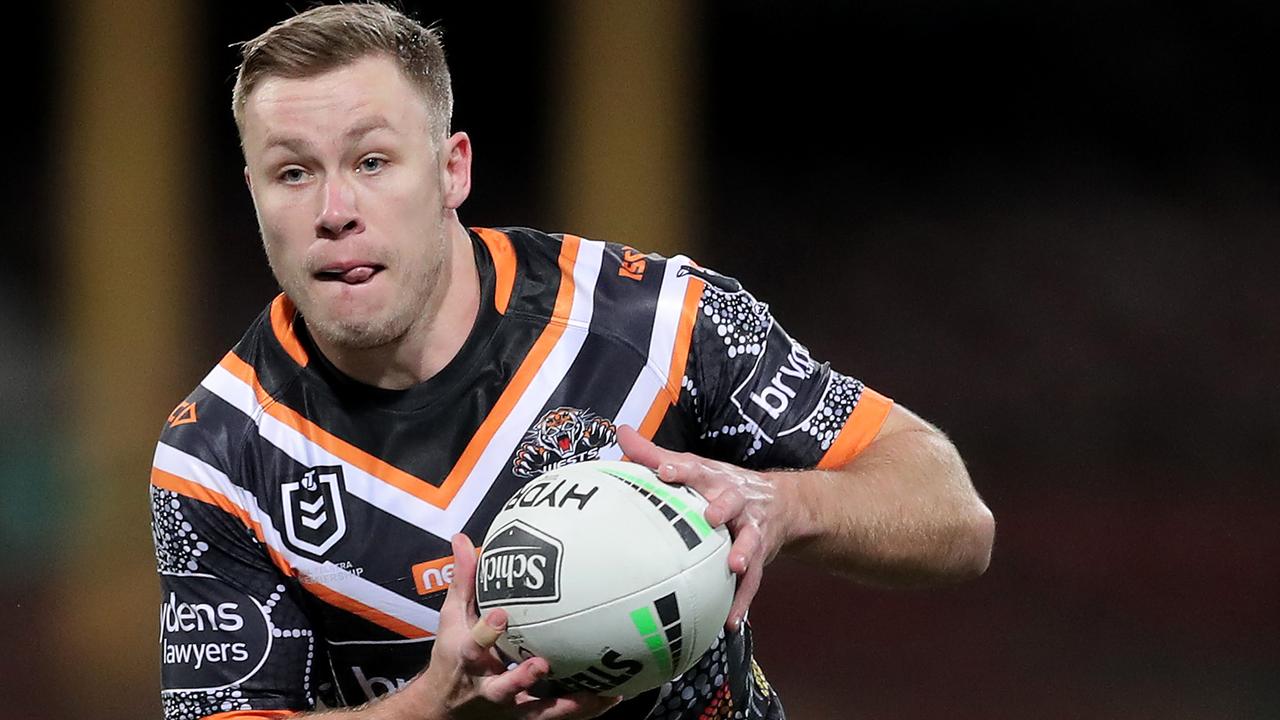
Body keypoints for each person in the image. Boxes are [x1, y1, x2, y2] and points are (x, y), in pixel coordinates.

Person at [149, 3, 994, 719]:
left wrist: (782, 504)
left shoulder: (657, 319)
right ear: (254, 195)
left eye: (373, 162)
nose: (335, 210)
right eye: (292, 173)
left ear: (452, 171)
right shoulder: (218, 458)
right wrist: (433, 703)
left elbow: (955, 515)